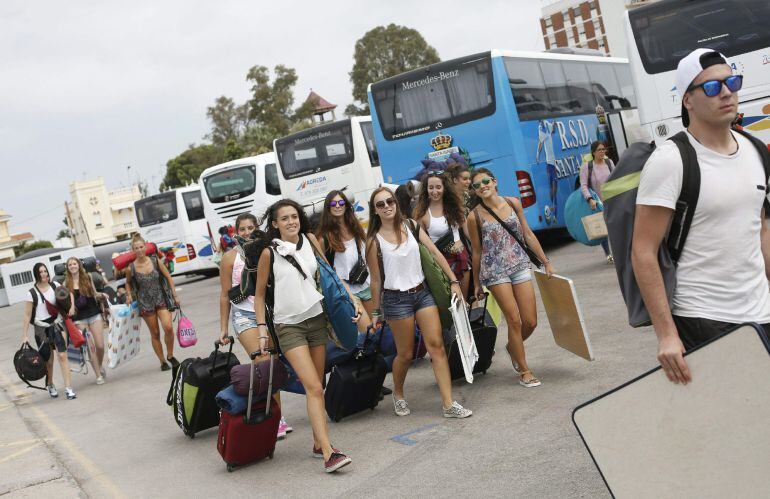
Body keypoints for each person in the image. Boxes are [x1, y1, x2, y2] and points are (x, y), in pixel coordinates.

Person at [632, 48, 770, 385]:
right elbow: (643, 251)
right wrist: (666, 334)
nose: (726, 92)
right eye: (711, 87)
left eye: (732, 82)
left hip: (761, 312)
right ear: (688, 101)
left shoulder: (756, 150)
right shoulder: (671, 161)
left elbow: (762, 228)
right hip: (703, 317)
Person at [253, 199, 361, 473]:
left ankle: (317, 442)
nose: (291, 221)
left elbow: (331, 275)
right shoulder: (269, 253)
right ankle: (328, 453)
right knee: (312, 386)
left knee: (318, 386)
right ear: (275, 224)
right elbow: (260, 295)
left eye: (294, 216)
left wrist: (354, 301)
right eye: (284, 218)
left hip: (316, 321)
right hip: (289, 327)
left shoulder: (311, 240)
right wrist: (263, 331)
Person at [365, 186, 473, 419]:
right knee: (405, 354)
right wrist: (376, 311)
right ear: (374, 211)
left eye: (389, 201)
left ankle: (448, 403)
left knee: (436, 346)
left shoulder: (412, 226)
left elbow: (435, 252)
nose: (386, 207)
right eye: (380, 204)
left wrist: (454, 281)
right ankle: (399, 393)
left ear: (396, 203)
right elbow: (375, 279)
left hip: (423, 293)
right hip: (396, 299)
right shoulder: (374, 241)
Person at [467, 168, 554, 388]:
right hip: (495, 271)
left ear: (495, 182)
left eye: (486, 181)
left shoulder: (513, 203)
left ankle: (512, 347)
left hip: (520, 264)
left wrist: (546, 261)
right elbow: (476, 252)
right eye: (477, 185)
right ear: (475, 191)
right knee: (514, 320)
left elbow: (527, 233)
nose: (483, 186)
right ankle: (525, 370)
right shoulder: (474, 216)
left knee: (530, 321)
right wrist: (476, 283)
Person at [218, 212, 293, 439]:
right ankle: (274, 418)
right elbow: (224, 295)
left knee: (274, 364)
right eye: (242, 229)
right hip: (244, 317)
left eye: (251, 227)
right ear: (235, 232)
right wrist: (223, 329)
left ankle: (276, 414)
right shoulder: (230, 258)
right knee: (263, 363)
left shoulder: (266, 251)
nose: (247, 232)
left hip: (269, 314)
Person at [124, 234, 180, 371]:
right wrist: (129, 295)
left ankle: (170, 355)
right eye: (136, 248)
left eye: (141, 247)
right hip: (145, 303)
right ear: (133, 250)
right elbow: (128, 283)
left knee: (168, 327)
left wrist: (175, 294)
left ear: (145, 246)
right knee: (155, 333)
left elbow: (168, 276)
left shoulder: (155, 261)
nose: (139, 250)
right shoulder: (130, 267)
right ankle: (162, 361)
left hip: (160, 299)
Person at [316, 190, 375, 321]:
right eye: (333, 203)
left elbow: (369, 257)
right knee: (366, 333)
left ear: (346, 205)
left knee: (379, 328)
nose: (338, 205)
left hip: (367, 285)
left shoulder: (356, 228)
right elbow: (327, 272)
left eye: (341, 202)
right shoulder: (323, 238)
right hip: (347, 292)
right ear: (328, 207)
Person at [412, 171, 472, 299]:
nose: (435, 191)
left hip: (462, 260)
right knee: (451, 304)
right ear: (426, 189)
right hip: (441, 264)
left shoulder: (455, 207)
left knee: (465, 303)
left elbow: (468, 233)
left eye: (438, 187)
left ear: (445, 188)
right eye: (431, 187)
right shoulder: (422, 214)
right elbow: (422, 245)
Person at [21, 263, 76, 399]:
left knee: (62, 356)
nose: (44, 274)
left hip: (57, 324)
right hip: (41, 328)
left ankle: (69, 388)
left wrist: (72, 307)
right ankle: (50, 384)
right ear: (36, 274)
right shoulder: (31, 293)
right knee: (48, 361)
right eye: (41, 272)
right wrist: (25, 335)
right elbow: (27, 315)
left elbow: (69, 293)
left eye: (45, 271)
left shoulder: (55, 285)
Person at [64, 257, 108, 385]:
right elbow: (67, 298)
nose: (72, 266)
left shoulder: (87, 277)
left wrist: (102, 295)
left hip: (94, 314)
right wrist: (70, 307)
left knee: (100, 345)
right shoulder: (67, 282)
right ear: (67, 268)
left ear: (79, 265)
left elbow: (94, 293)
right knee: (91, 347)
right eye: (70, 264)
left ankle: (98, 365)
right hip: (79, 319)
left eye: (74, 263)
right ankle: (98, 375)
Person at [579, 140, 615, 262]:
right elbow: (583, 185)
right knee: (603, 229)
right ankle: (608, 254)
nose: (602, 152)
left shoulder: (609, 163)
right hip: (598, 202)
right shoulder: (587, 167)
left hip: (612, 200)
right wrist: (590, 199)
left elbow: (615, 179)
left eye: (603, 149)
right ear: (593, 152)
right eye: (599, 150)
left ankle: (618, 251)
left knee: (616, 227)